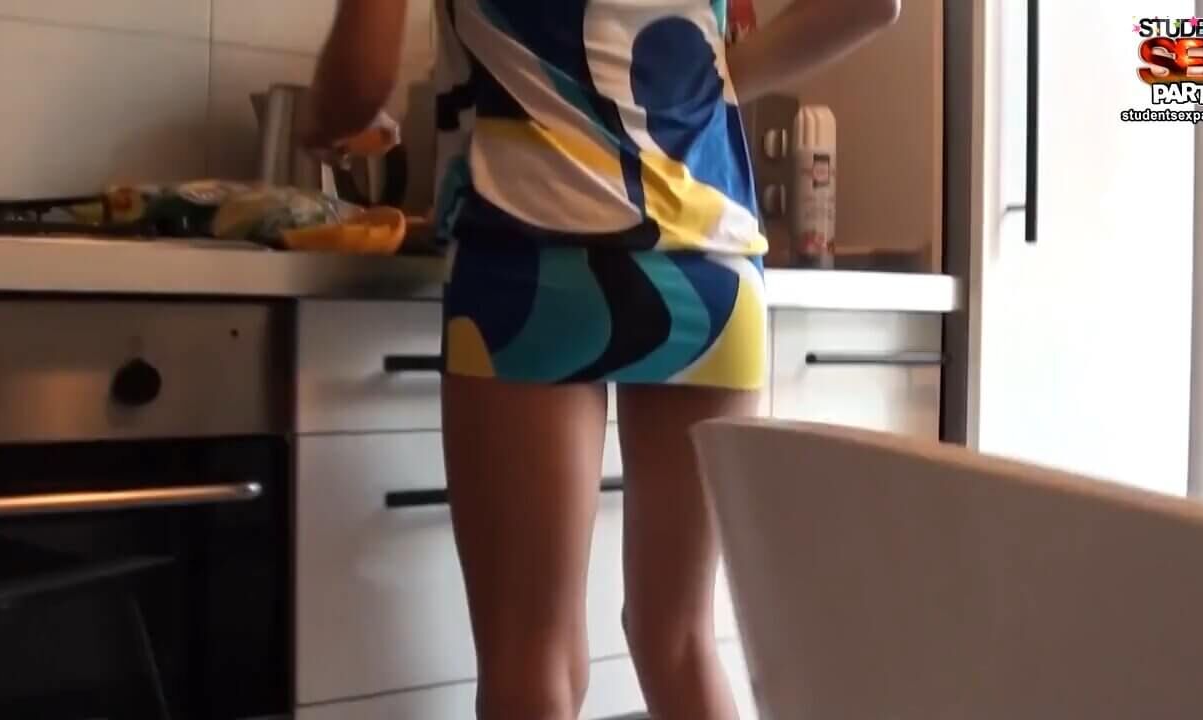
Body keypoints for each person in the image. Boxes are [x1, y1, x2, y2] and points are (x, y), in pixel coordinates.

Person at [303, 1, 901, 718]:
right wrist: (711, 80)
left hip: (533, 244)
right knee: (681, 642)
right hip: (714, 258)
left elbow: (357, 85)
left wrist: (321, 119)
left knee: (535, 662)